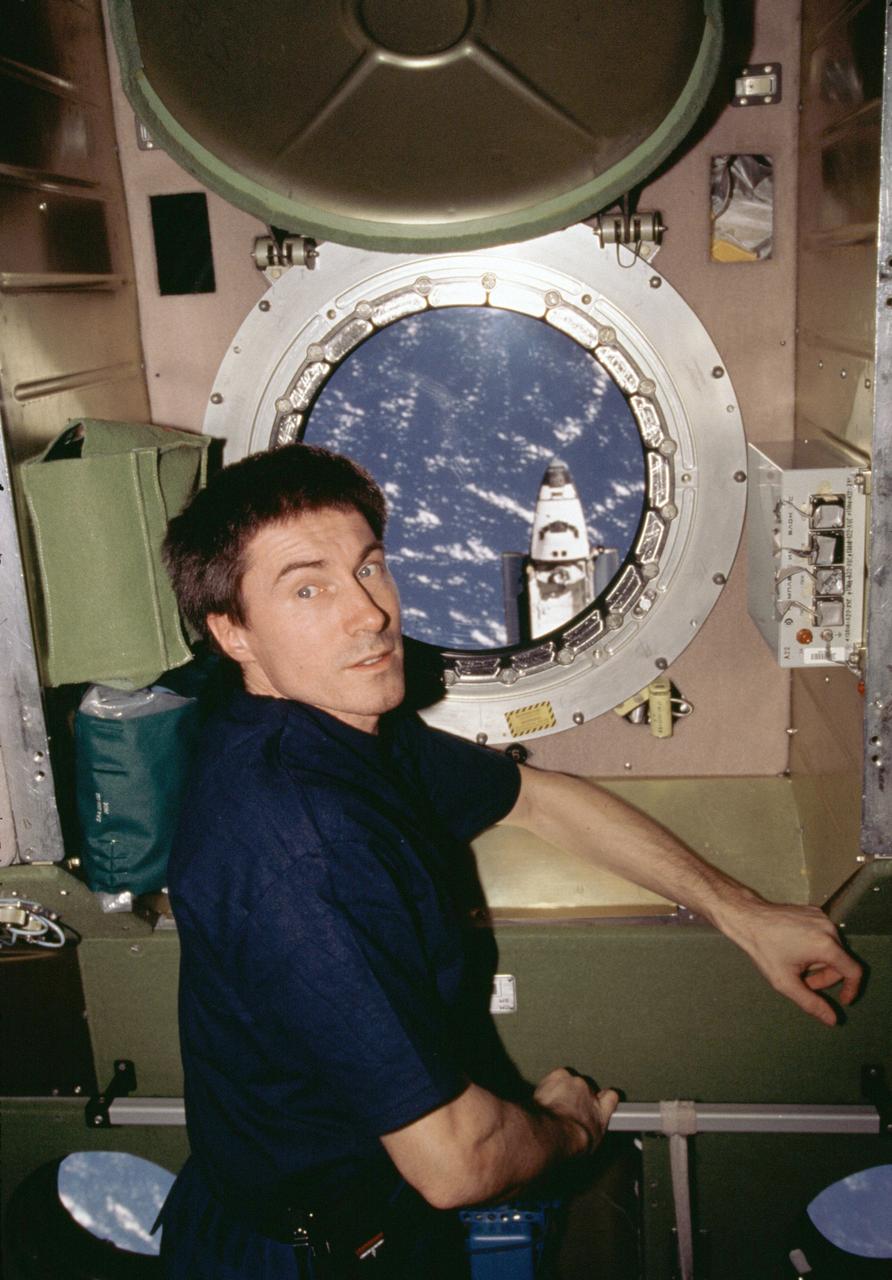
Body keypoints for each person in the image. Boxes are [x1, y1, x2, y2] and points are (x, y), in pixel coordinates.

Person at [159, 443, 862, 1279]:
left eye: (369, 567)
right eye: (307, 588)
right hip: (318, 1253)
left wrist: (742, 913)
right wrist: (570, 1129)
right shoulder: (303, 853)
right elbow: (456, 1163)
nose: (370, 614)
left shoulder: (327, 726)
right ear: (231, 631)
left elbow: (538, 797)